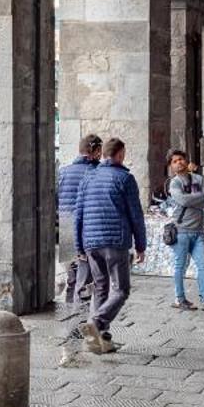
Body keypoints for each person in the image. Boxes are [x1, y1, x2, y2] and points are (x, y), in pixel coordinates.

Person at [67, 138, 146, 360]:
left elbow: (78, 215)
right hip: (115, 241)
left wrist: (79, 245)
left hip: (91, 242)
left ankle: (97, 340)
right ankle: (96, 322)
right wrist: (141, 244)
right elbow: (136, 215)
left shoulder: (88, 177)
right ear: (120, 154)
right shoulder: (125, 178)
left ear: (104, 155)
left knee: (101, 287)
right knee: (121, 289)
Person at [165, 150, 204, 312]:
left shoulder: (199, 179)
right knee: (180, 266)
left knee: (203, 265)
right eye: (174, 161)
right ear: (171, 166)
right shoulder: (173, 183)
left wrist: (194, 200)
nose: (179, 162)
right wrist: (200, 196)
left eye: (181, 159)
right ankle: (180, 299)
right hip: (181, 231)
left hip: (198, 231)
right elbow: (182, 199)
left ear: (186, 161)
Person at [56, 134, 103, 310]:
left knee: (72, 276)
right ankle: (80, 317)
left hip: (67, 223)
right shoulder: (97, 172)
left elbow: (55, 197)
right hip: (87, 227)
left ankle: (69, 312)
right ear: (97, 151)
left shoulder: (64, 171)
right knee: (86, 276)